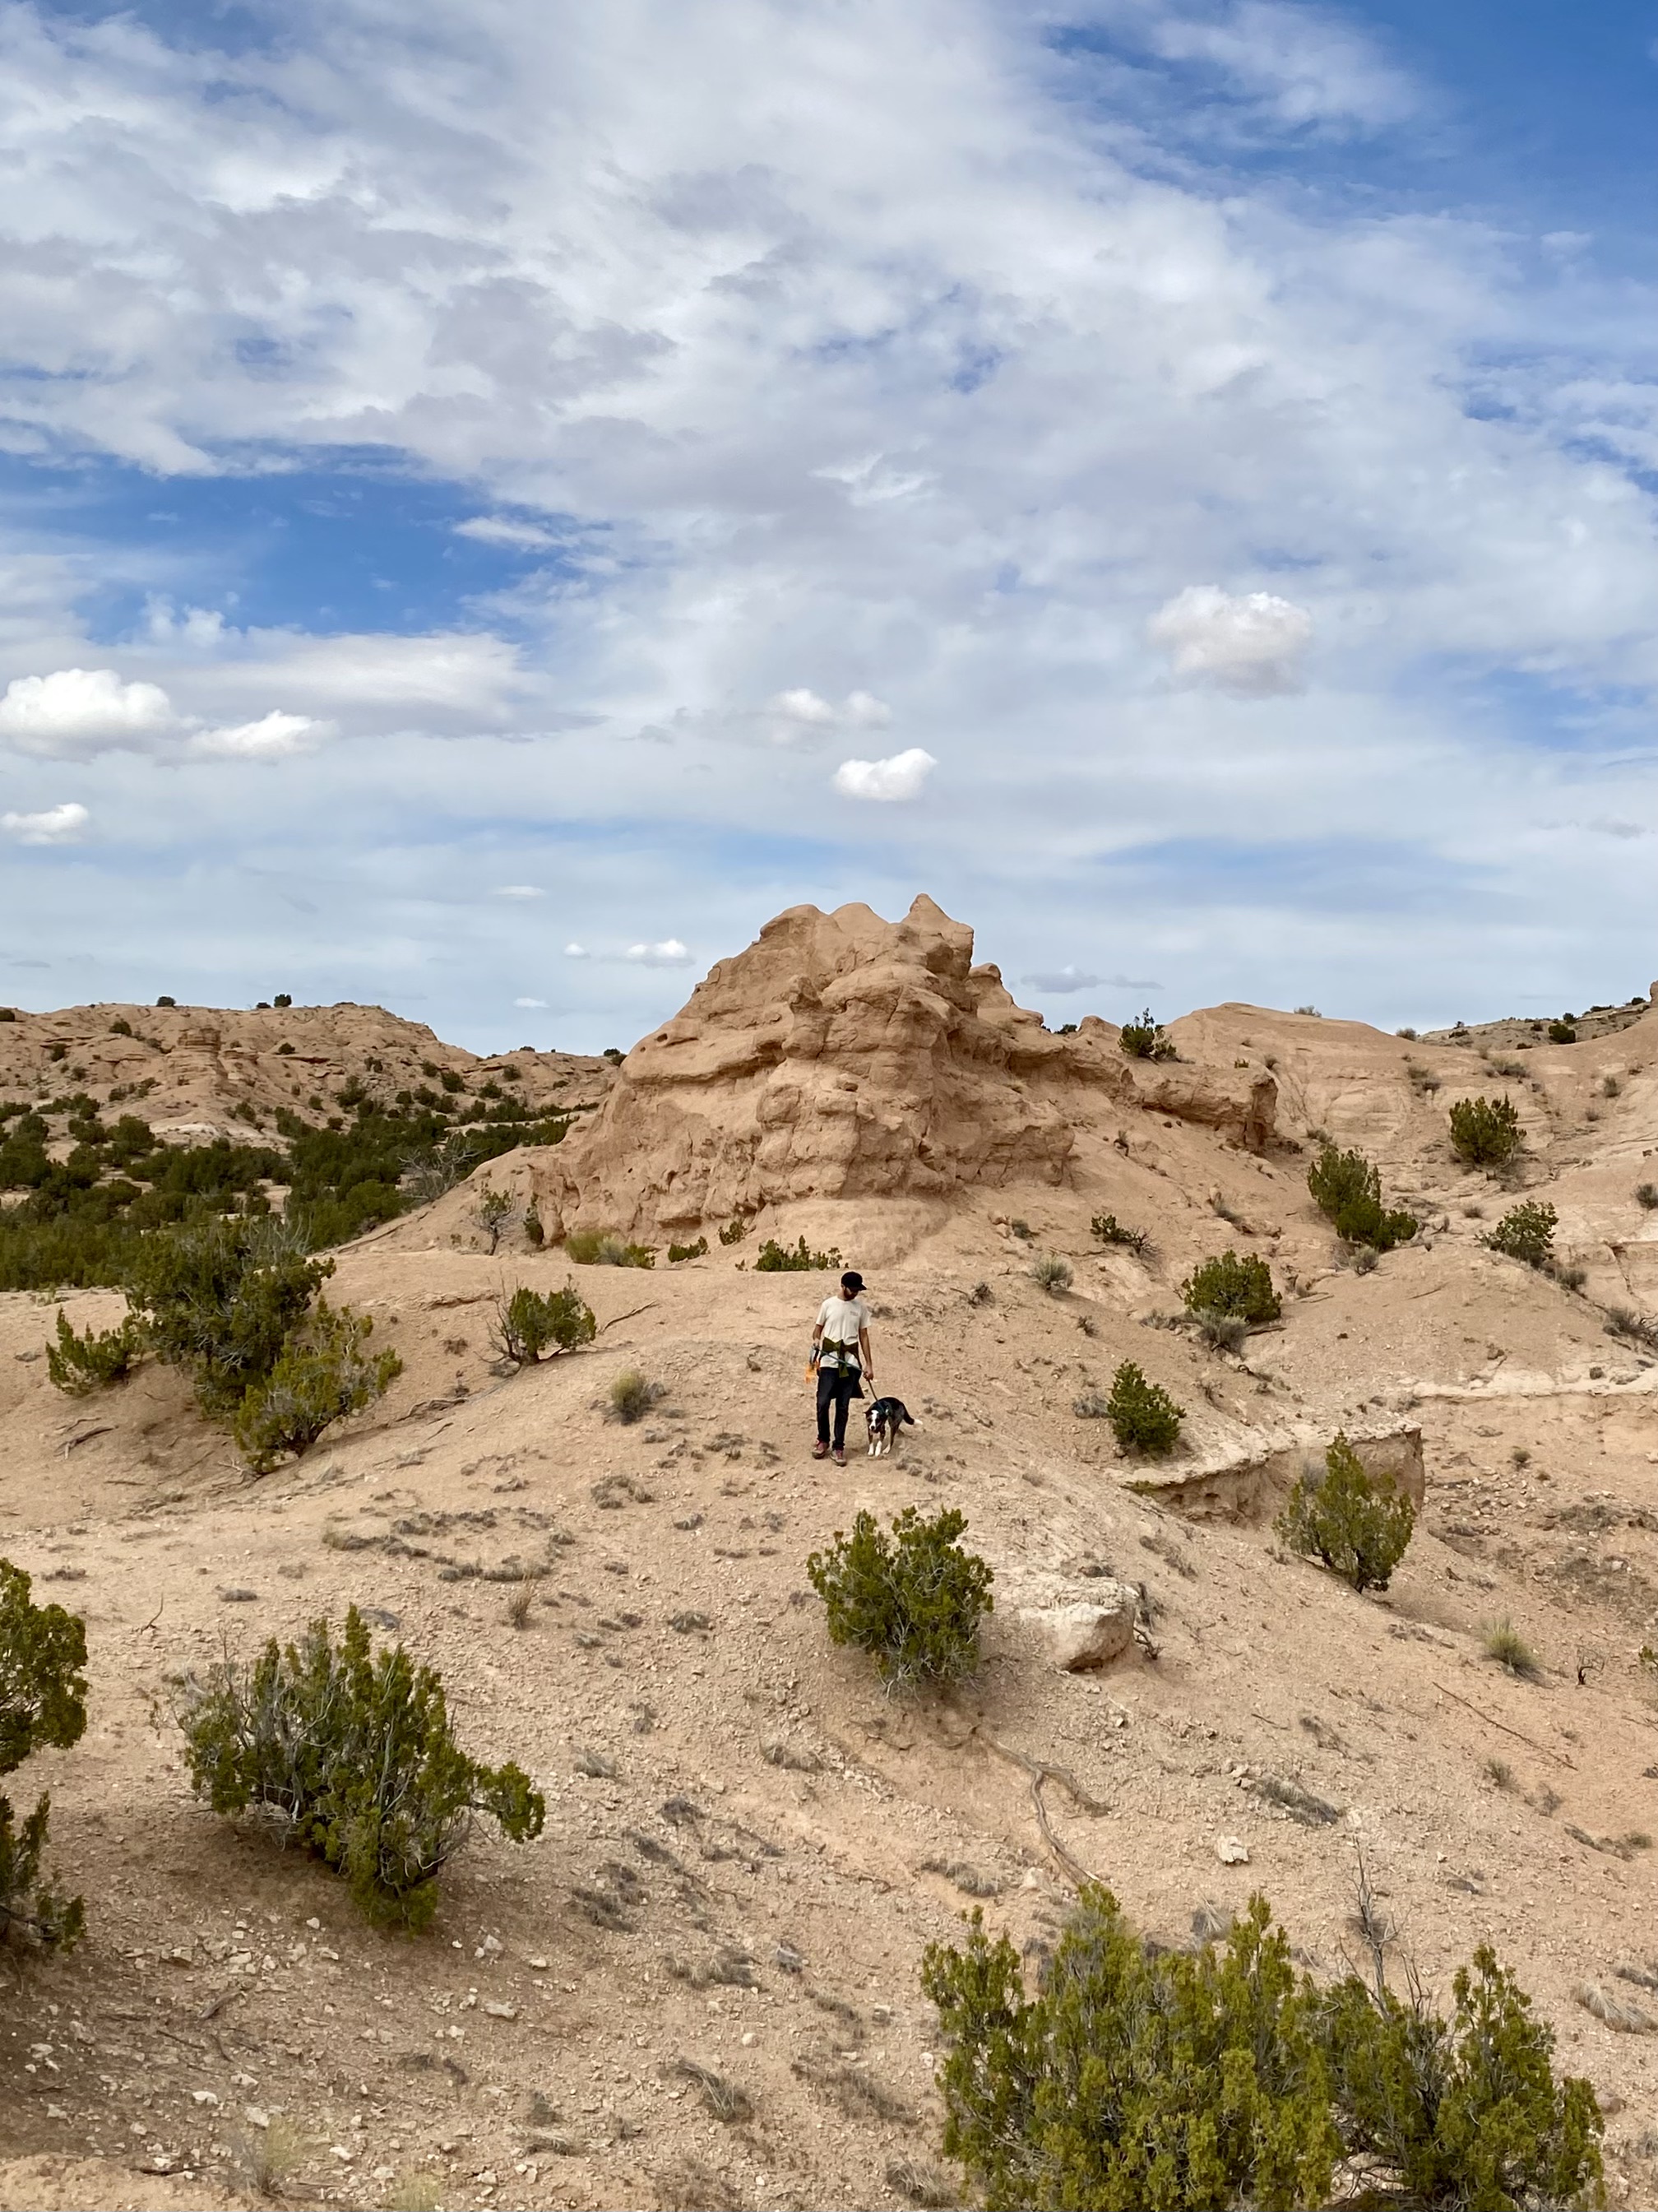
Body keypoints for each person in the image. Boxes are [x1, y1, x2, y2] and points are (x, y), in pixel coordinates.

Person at [810, 1269, 874, 1465]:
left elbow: (863, 1335)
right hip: (829, 1362)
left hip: (850, 1363)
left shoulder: (860, 1308)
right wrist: (816, 1341)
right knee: (822, 1402)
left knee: (843, 1407)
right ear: (843, 1286)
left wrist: (869, 1364)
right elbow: (817, 1330)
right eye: (852, 1289)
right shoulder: (828, 1305)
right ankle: (823, 1440)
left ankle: (839, 1447)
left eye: (858, 1290)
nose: (855, 1293)